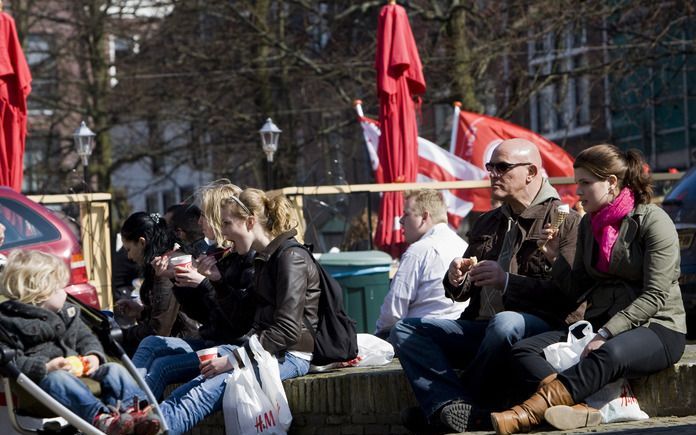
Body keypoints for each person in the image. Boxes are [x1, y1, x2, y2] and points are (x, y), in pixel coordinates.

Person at [490, 144, 686, 434]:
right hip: (601, 321)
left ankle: (526, 414)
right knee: (524, 350)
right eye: (576, 182)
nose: (577, 191)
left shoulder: (653, 221)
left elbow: (655, 295)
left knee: (608, 353)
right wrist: (555, 257)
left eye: (585, 183)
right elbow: (577, 289)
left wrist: (607, 333)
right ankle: (582, 408)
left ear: (611, 182)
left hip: (657, 327)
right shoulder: (587, 226)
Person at [391, 138, 583, 433]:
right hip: (482, 328)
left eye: (502, 167)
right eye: (490, 166)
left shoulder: (563, 221)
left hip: (539, 328)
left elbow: (570, 296)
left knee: (505, 323)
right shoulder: (488, 222)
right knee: (405, 329)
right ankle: (453, 406)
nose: (492, 173)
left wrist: (507, 282)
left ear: (531, 172)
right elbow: (465, 287)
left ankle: (454, 406)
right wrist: (456, 277)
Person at [158, 188, 320, 435]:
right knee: (186, 391)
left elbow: (287, 331)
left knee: (205, 392)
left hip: (291, 356)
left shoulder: (291, 258)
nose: (222, 232)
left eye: (226, 223)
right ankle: (143, 423)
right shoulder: (265, 259)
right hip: (264, 351)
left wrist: (234, 359)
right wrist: (217, 282)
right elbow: (243, 318)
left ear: (250, 222)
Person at [0, 250, 161, 435]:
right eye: (59, 288)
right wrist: (46, 367)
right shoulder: (10, 321)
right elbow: (13, 361)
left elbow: (86, 338)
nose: (65, 293)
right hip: (40, 385)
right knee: (58, 378)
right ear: (41, 292)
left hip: (81, 371)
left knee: (115, 369)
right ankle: (101, 419)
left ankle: (137, 412)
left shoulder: (68, 313)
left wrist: (93, 356)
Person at [132, 181, 257, 400]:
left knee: (162, 366)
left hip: (231, 346)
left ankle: (134, 415)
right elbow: (202, 314)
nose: (199, 223)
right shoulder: (215, 253)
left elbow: (236, 321)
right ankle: (125, 407)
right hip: (212, 340)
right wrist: (178, 280)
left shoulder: (243, 256)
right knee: (150, 344)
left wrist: (204, 283)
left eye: (204, 216)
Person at [374, 189, 468, 340]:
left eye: (406, 214)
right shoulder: (463, 245)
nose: (401, 220)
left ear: (424, 217)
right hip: (460, 335)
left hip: (419, 339)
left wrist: (377, 336)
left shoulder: (419, 251)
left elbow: (393, 313)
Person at [117, 212, 198, 355]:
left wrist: (122, 335)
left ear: (142, 242)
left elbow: (159, 329)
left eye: (129, 249)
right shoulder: (161, 262)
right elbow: (166, 313)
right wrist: (141, 311)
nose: (128, 256)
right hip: (180, 340)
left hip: (185, 345)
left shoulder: (167, 266)